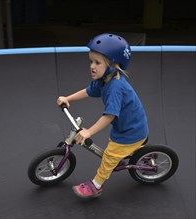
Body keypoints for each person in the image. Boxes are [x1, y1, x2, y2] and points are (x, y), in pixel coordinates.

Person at [57, 33, 149, 199]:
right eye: (91, 61)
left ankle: (96, 186)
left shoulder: (115, 88)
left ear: (114, 65)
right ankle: (139, 155)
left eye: (97, 62)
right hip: (129, 126)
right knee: (114, 150)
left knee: (109, 158)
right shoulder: (104, 80)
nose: (92, 66)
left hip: (130, 132)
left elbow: (109, 116)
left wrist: (89, 132)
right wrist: (68, 98)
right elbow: (88, 91)